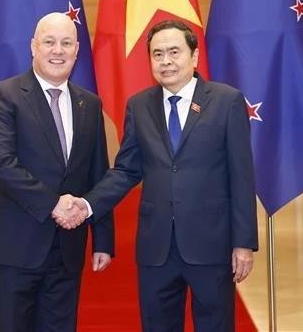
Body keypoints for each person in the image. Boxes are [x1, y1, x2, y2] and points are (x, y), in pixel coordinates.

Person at [55, 20, 258, 331]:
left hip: (211, 243)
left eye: (174, 52)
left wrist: (243, 243)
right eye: (158, 54)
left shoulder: (226, 101)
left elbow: (242, 177)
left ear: (195, 55)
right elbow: (126, 170)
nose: (166, 61)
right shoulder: (140, 106)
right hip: (156, 248)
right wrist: (87, 204)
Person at [0, 12, 114, 331]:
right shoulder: (3, 96)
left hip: (67, 249)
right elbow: (0, 164)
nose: (58, 50)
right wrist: (53, 203)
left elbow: (97, 173)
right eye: (49, 42)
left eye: (66, 43)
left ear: (77, 50)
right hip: (13, 245)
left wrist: (103, 238)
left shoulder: (89, 104)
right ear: (33, 47)